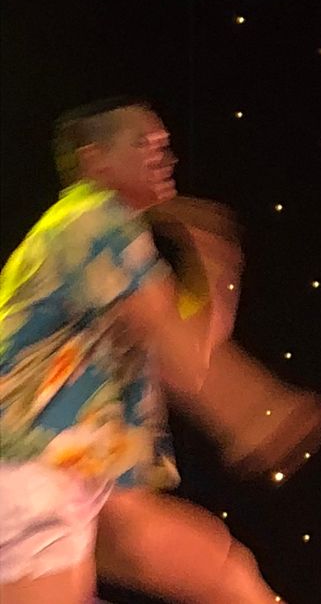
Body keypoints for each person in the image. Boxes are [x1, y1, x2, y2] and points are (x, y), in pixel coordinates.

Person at [0, 98, 281, 603]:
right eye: (143, 144)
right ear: (93, 159)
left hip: (74, 475)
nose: (163, 157)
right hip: (27, 469)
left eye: (165, 146)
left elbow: (187, 357)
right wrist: (253, 411)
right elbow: (185, 362)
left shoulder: (96, 239)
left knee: (226, 572)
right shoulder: (92, 219)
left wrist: (213, 262)